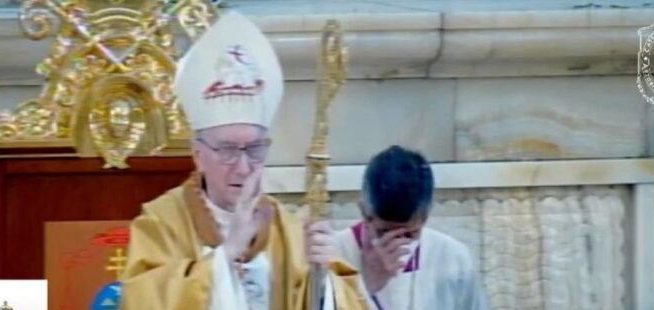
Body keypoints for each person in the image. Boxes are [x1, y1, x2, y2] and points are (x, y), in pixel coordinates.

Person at [119, 11, 365, 310]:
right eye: (228, 151)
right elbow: (142, 300)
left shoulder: (289, 230)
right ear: (198, 155)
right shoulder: (161, 224)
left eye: (255, 149)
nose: (244, 167)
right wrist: (226, 254)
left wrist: (323, 281)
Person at [334, 145, 487, 309]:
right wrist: (368, 283)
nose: (398, 245)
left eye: (409, 235)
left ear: (426, 215)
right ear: (364, 211)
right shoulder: (332, 257)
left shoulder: (454, 260)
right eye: (384, 233)